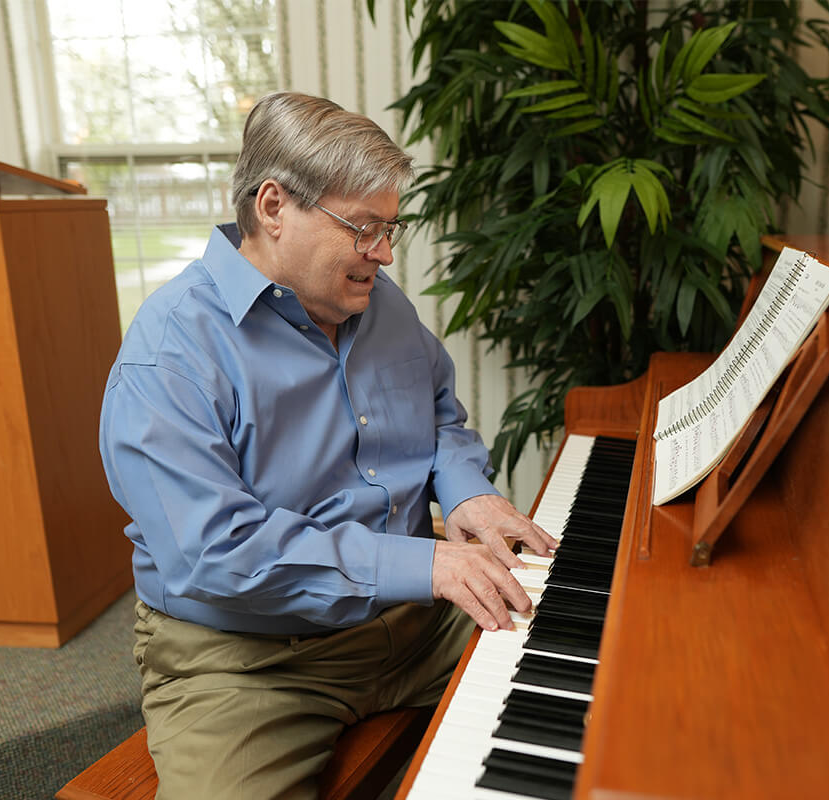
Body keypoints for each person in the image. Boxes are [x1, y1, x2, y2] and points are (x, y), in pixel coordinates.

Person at [98, 91, 556, 799]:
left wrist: (470, 491)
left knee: (593, 666)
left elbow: (438, 414)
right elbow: (215, 554)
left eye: (391, 228)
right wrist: (425, 562)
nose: (386, 253)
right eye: (365, 227)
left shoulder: (379, 302)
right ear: (274, 207)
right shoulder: (168, 356)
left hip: (414, 618)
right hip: (250, 660)